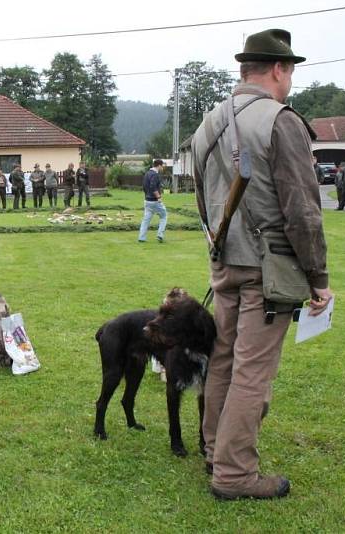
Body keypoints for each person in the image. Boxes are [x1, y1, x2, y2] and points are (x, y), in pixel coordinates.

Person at [192, 29, 332, 501]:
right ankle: (232, 474)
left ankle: (215, 449)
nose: (289, 79)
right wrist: (319, 278)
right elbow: (302, 210)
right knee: (252, 371)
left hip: (224, 261)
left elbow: (199, 197)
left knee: (223, 360)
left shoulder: (207, 123)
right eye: (289, 70)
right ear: (279, 69)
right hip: (267, 270)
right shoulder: (280, 120)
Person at [137, 159, 168, 243]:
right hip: (154, 201)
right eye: (162, 166)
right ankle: (160, 235)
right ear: (159, 165)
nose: (163, 168)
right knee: (164, 216)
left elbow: (144, 186)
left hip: (147, 200)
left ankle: (141, 237)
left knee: (146, 220)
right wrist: (158, 197)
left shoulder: (147, 173)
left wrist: (147, 195)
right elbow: (153, 186)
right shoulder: (155, 175)